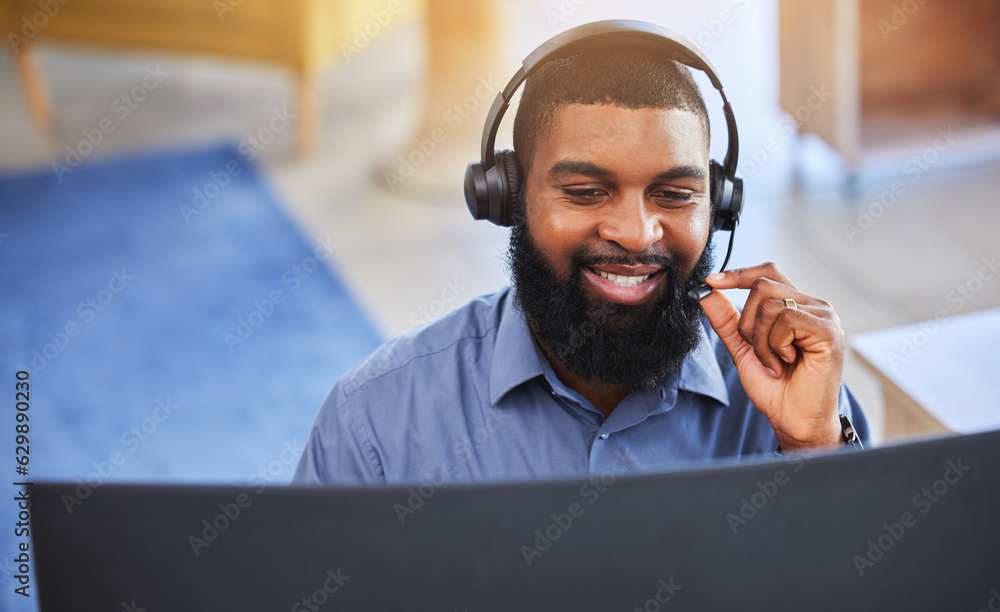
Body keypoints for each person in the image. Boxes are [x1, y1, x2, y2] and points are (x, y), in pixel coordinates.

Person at [293, 24, 869, 487]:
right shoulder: (376, 423)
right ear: (508, 197)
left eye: (674, 195)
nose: (637, 233)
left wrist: (814, 448)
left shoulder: (792, 393)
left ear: (718, 205)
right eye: (587, 192)